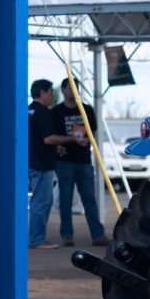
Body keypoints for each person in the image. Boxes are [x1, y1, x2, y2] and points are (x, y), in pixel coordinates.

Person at [51, 78, 110, 247]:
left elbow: (92, 131)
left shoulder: (87, 110)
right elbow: (50, 136)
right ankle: (67, 235)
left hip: (83, 161)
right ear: (63, 90)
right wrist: (58, 147)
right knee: (66, 199)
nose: (73, 91)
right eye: (70, 88)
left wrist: (87, 141)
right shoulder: (56, 112)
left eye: (76, 88)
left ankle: (98, 235)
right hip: (64, 162)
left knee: (89, 199)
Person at [28, 79, 61, 249]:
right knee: (42, 202)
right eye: (51, 92)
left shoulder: (28, 111)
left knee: (39, 201)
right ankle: (37, 238)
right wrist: (71, 140)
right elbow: (48, 138)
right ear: (43, 92)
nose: (52, 96)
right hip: (42, 165)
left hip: (32, 162)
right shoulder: (43, 113)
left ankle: (37, 237)